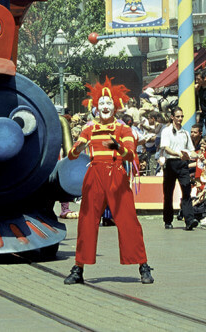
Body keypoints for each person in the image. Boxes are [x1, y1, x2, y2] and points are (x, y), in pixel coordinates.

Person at [63, 78, 153, 285]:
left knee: (128, 220)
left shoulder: (123, 130)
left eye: (108, 103)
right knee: (86, 221)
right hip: (94, 175)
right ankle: (79, 267)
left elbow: (130, 155)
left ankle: (143, 265)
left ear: (115, 106)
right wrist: (76, 149)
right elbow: (73, 153)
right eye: (101, 103)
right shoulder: (89, 129)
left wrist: (117, 147)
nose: (105, 106)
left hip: (117, 175)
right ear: (96, 106)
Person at [160, 107, 199, 230]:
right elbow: (166, 148)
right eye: (177, 116)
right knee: (168, 193)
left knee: (186, 190)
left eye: (181, 116)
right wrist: (178, 154)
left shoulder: (185, 133)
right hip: (171, 163)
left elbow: (191, 150)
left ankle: (189, 220)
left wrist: (197, 155)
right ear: (172, 117)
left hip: (183, 164)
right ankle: (168, 220)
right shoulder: (166, 131)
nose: (180, 119)